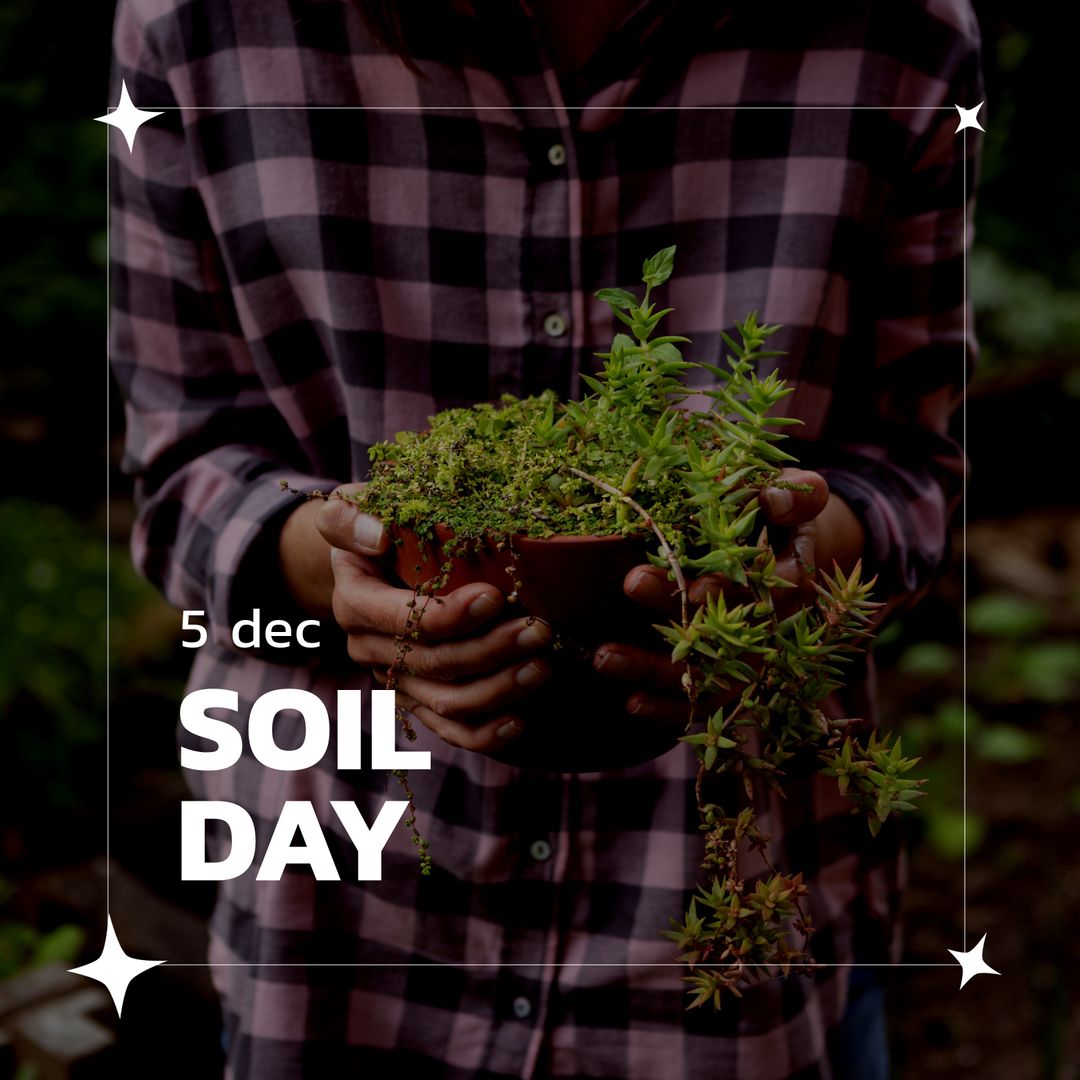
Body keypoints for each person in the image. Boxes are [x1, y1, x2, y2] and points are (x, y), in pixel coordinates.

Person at [109, 0, 982, 1075]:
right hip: (347, 938)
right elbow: (182, 459)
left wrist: (789, 570)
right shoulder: (197, 25)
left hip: (725, 942)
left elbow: (911, 464)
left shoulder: (901, 33)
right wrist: (338, 572)